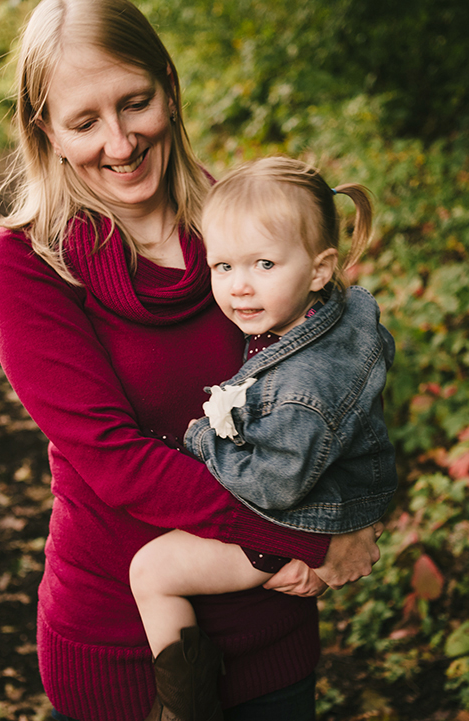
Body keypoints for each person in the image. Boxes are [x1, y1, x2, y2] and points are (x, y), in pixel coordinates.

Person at [0, 1, 384, 720]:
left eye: (136, 103)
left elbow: (329, 383)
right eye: (84, 121)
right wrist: (314, 533)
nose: (120, 142)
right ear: (45, 128)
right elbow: (115, 459)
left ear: (169, 85)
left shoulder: (240, 225)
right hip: (122, 644)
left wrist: (353, 505)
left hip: (269, 627)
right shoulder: (25, 262)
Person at [128, 157, 398, 719]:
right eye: (222, 266)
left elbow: (273, 484)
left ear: (320, 269)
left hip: (297, 515)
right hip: (328, 499)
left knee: (151, 571)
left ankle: (184, 711)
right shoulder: (334, 317)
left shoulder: (302, 388)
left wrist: (204, 440)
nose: (239, 287)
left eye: (264, 264)